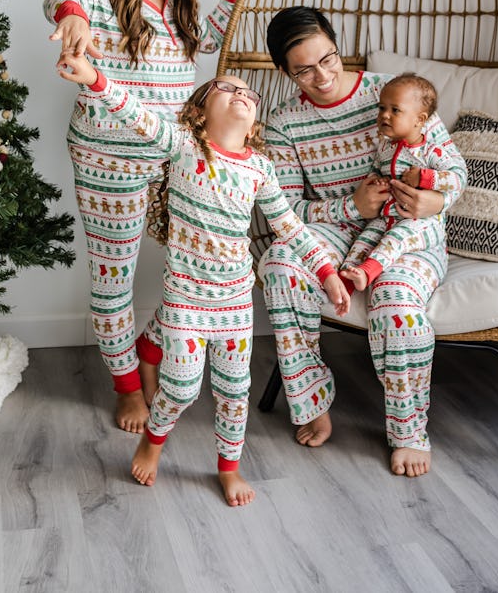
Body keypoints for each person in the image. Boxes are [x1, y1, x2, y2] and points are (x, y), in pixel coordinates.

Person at [57, 53, 350, 506]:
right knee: (182, 388)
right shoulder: (182, 146)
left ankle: (228, 468)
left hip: (234, 305)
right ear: (198, 111)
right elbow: (135, 114)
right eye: (227, 88)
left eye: (248, 93)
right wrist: (95, 79)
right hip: (185, 303)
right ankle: (152, 444)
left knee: (235, 391)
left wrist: (327, 273)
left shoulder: (259, 169)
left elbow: (290, 227)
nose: (242, 95)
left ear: (254, 121)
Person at [43, 0, 260, 434]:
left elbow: (205, 43)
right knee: (113, 281)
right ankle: (127, 387)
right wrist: (72, 18)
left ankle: (150, 347)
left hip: (176, 162)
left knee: (201, 273)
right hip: (107, 160)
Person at [260, 7, 465, 477]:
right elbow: (284, 214)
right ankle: (309, 397)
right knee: (279, 263)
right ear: (284, 71)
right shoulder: (284, 124)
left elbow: (450, 169)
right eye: (304, 70)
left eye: (328, 59)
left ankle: (408, 429)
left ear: (337, 45)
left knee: (394, 300)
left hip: (408, 235)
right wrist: (352, 207)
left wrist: (436, 200)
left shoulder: (393, 92)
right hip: (337, 231)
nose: (323, 76)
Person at [340, 73, 466, 293]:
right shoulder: (386, 148)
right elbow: (376, 169)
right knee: (364, 239)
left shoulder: (431, 151)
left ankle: (369, 270)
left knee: (395, 238)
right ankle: (348, 279)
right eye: (381, 108)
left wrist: (425, 178)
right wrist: (375, 181)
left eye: (395, 110)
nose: (385, 116)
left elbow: (456, 178)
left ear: (420, 119)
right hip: (388, 215)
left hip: (423, 222)